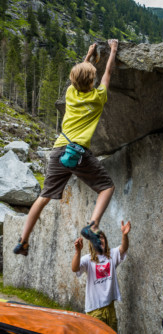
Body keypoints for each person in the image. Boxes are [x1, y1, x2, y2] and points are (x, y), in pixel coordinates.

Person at [13, 39, 119, 256]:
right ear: (92, 82)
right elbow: (107, 75)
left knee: (43, 197)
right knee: (107, 187)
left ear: (73, 81)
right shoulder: (98, 97)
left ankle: (23, 240)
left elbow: (78, 75)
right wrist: (113, 51)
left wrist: (88, 55)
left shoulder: (70, 94)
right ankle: (93, 225)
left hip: (58, 150)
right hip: (79, 153)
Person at [72, 220, 131, 332]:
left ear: (106, 241)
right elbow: (75, 268)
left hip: (110, 307)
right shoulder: (87, 260)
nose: (99, 240)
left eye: (102, 237)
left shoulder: (112, 255)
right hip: (95, 310)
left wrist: (124, 235)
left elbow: (123, 248)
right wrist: (77, 252)